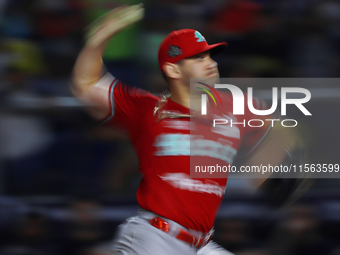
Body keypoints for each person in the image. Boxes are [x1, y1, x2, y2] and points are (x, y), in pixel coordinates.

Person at [71, 4, 301, 255]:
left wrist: (275, 165)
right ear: (173, 69)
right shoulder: (148, 109)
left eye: (210, 56)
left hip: (200, 244)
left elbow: (278, 132)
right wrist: (100, 38)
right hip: (155, 237)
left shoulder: (238, 107)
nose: (211, 63)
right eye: (198, 58)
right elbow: (86, 84)